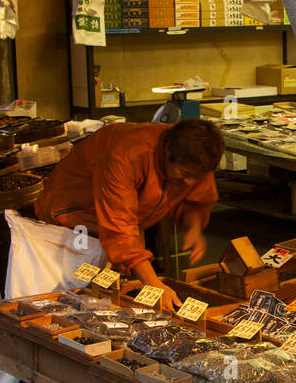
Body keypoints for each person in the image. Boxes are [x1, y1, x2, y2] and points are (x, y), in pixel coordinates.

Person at [34, 119, 224, 310]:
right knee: (73, 298)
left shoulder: (196, 155)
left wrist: (194, 227)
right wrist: (155, 285)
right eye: (184, 174)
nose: (190, 182)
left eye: (197, 177)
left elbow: (197, 199)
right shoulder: (124, 155)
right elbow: (119, 229)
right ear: (167, 152)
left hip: (125, 226)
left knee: (115, 295)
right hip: (75, 221)